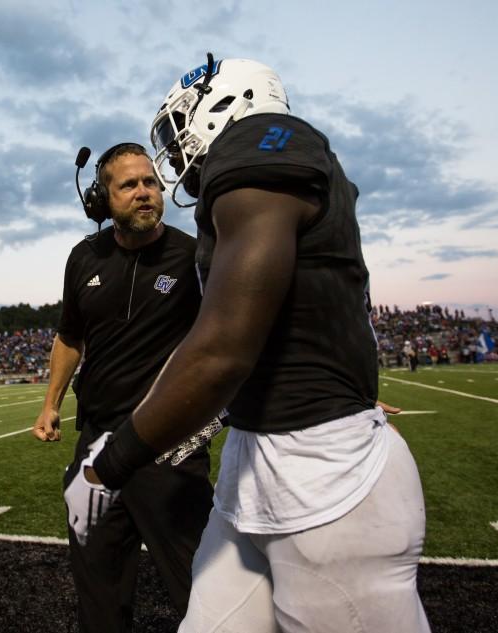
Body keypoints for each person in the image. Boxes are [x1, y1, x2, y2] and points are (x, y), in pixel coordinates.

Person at [66, 57, 430, 632]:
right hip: (261, 464)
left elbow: (223, 347)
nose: (173, 152)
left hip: (321, 478)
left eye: (176, 127)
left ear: (220, 106)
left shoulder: (259, 142)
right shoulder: (254, 178)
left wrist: (107, 466)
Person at [33, 143, 214, 632]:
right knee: (99, 598)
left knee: (200, 591)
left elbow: (240, 332)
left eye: (150, 182)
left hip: (167, 447)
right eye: (128, 185)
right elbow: (70, 336)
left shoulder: (191, 255)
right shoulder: (83, 257)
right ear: (101, 199)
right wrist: (50, 403)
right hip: (95, 448)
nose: (143, 193)